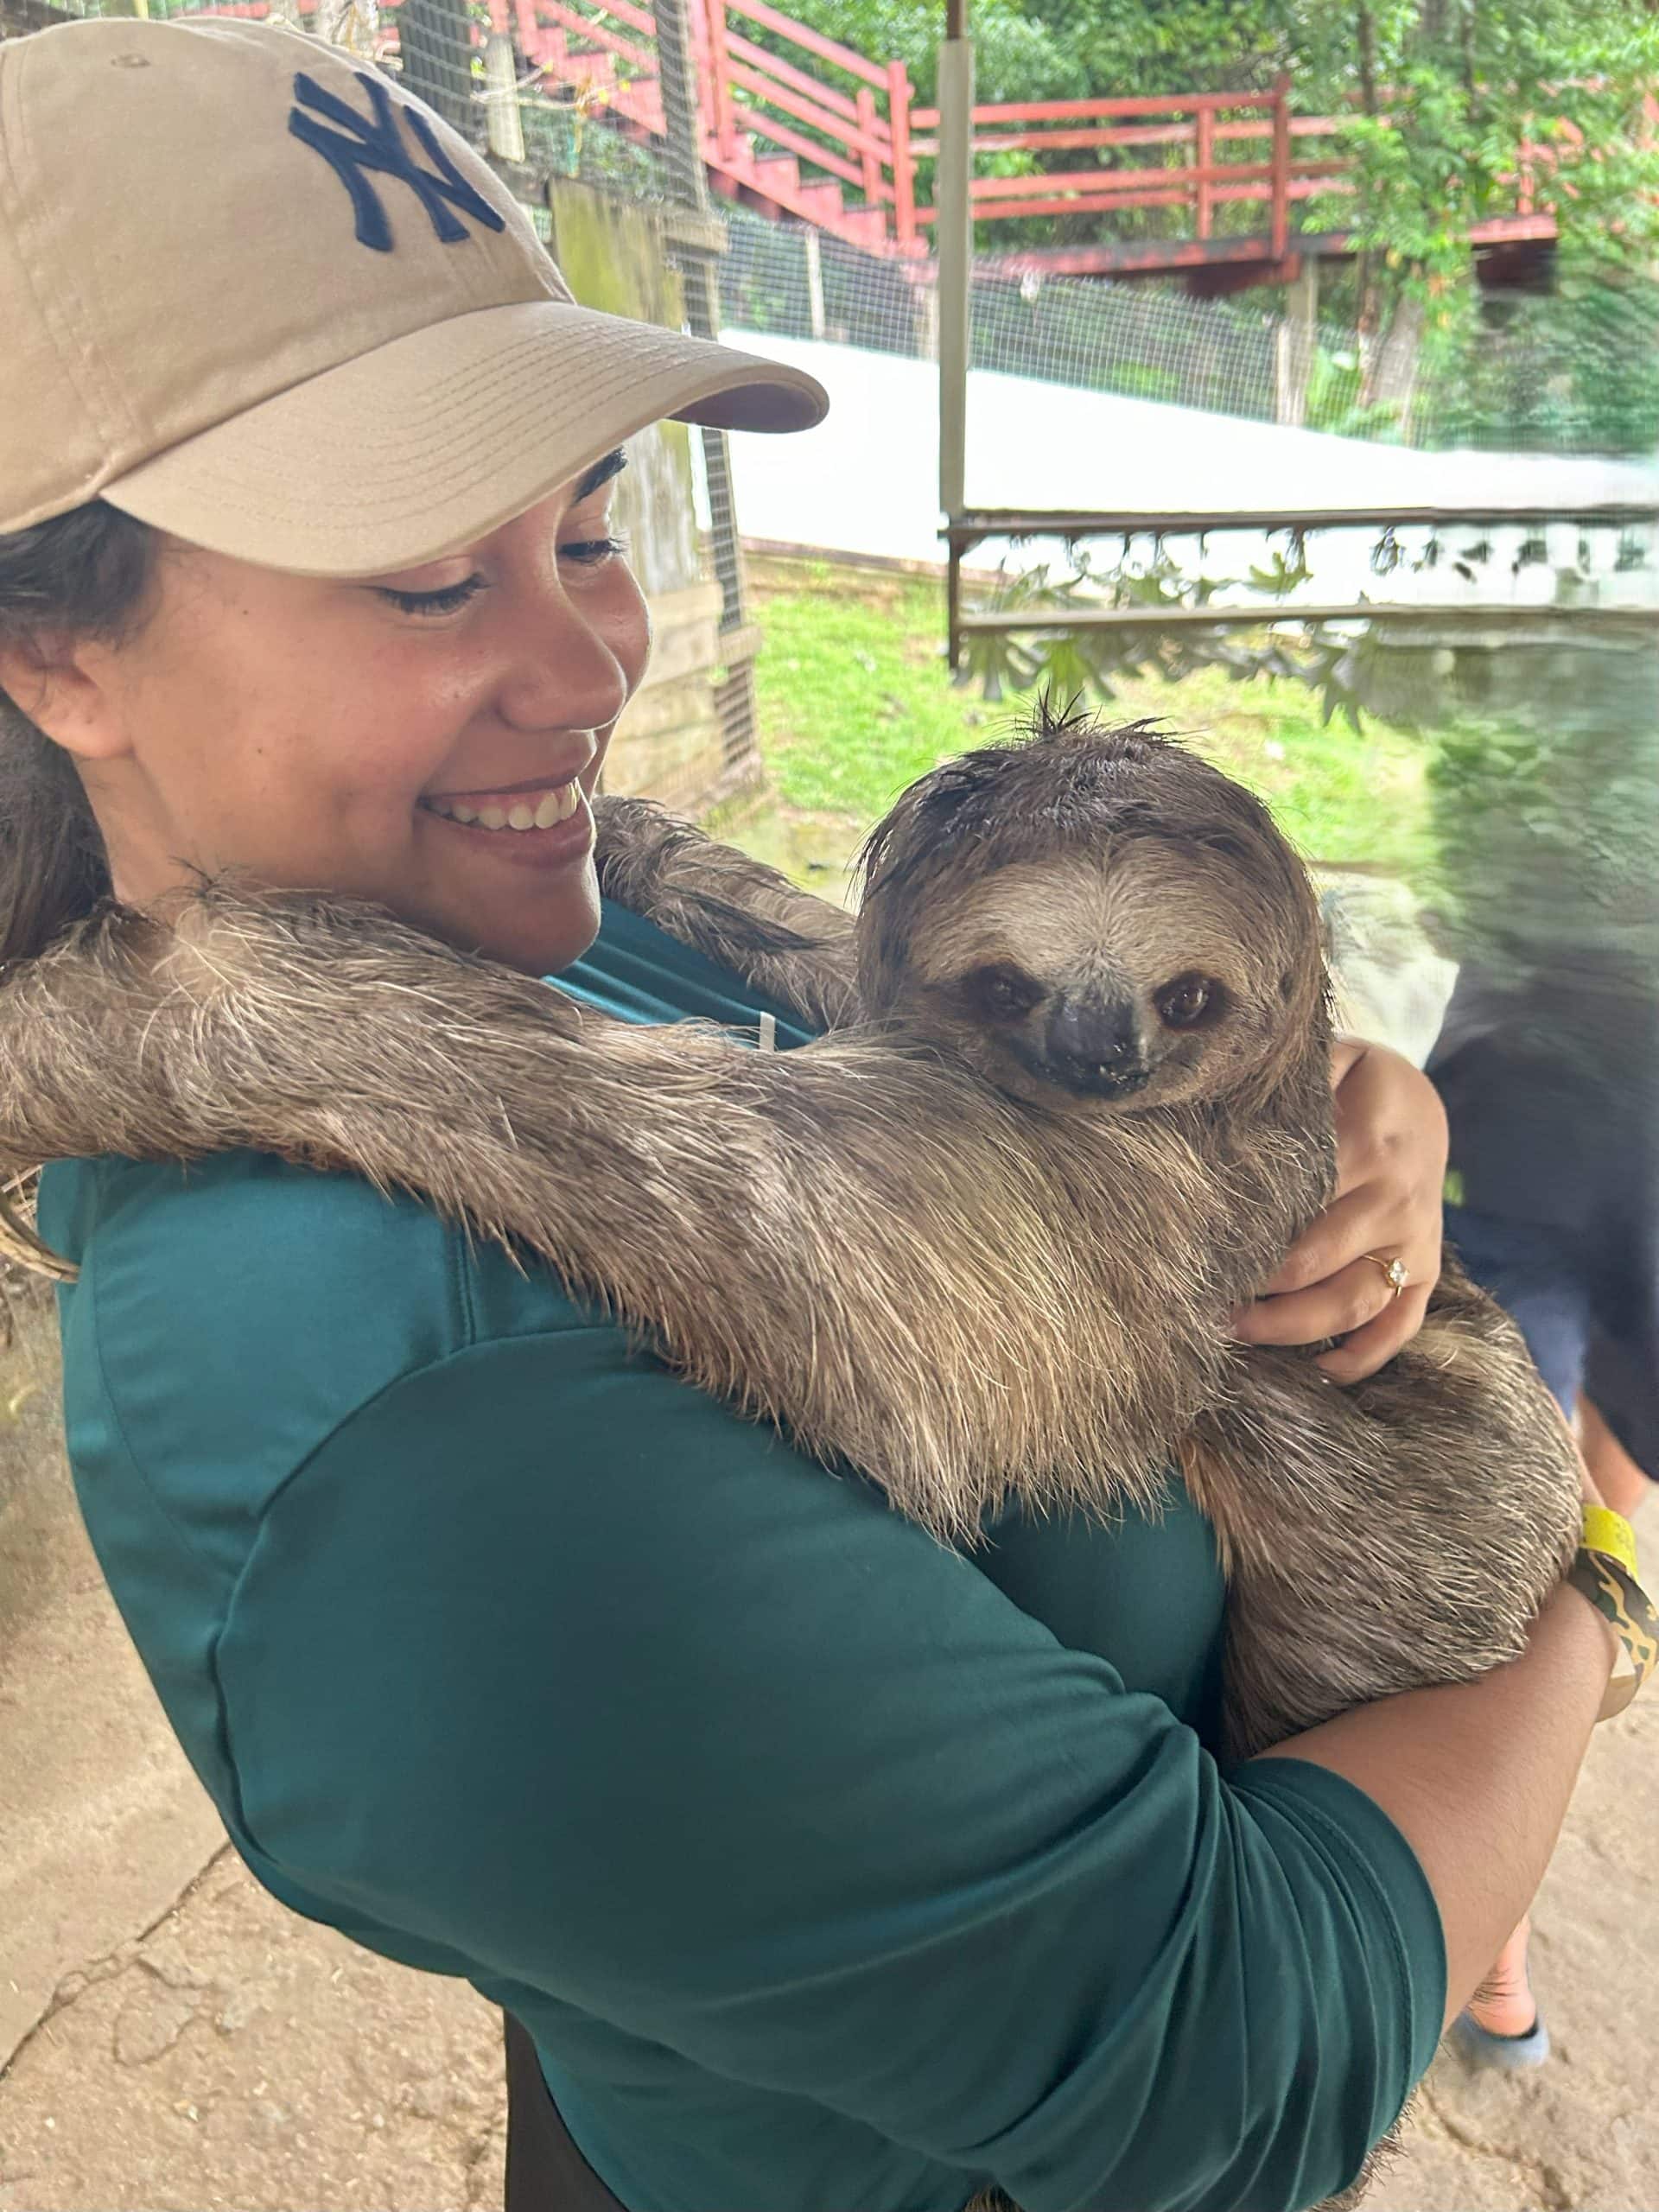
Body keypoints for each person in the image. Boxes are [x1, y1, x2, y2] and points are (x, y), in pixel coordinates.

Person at [0, 19, 1624, 2212]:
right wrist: (1600, 1596)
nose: (591, 666)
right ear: (54, 651)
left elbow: (816, 987)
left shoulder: (506, 908)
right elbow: (1223, 2065)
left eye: (584, 529)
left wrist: (1315, 1097)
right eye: (419, 577)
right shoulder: (403, 1423)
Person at [1427, 948, 1658, 2070]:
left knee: (1532, 1572)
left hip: (1537, 1117)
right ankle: (1500, 1943)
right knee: (1526, 1568)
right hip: (1537, 1118)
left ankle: (1496, 1944)